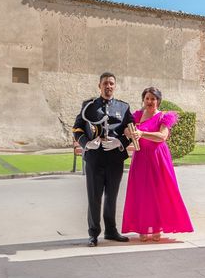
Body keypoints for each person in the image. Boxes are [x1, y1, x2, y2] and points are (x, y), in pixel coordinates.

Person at [122, 87, 193, 241]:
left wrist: (142, 133)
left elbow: (162, 136)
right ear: (143, 100)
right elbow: (127, 131)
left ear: (158, 101)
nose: (150, 102)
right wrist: (128, 132)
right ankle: (142, 228)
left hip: (158, 158)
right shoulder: (137, 116)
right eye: (147, 98)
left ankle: (156, 228)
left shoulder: (163, 117)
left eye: (153, 99)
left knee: (159, 192)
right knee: (141, 192)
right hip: (141, 158)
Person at [72, 72, 134, 247]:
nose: (109, 86)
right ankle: (93, 234)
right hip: (95, 158)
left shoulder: (123, 107)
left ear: (115, 86)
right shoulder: (89, 106)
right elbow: (77, 128)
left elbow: (132, 130)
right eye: (105, 83)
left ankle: (111, 230)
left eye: (112, 84)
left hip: (115, 158)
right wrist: (86, 143)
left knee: (111, 196)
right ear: (99, 86)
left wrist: (120, 142)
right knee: (94, 197)